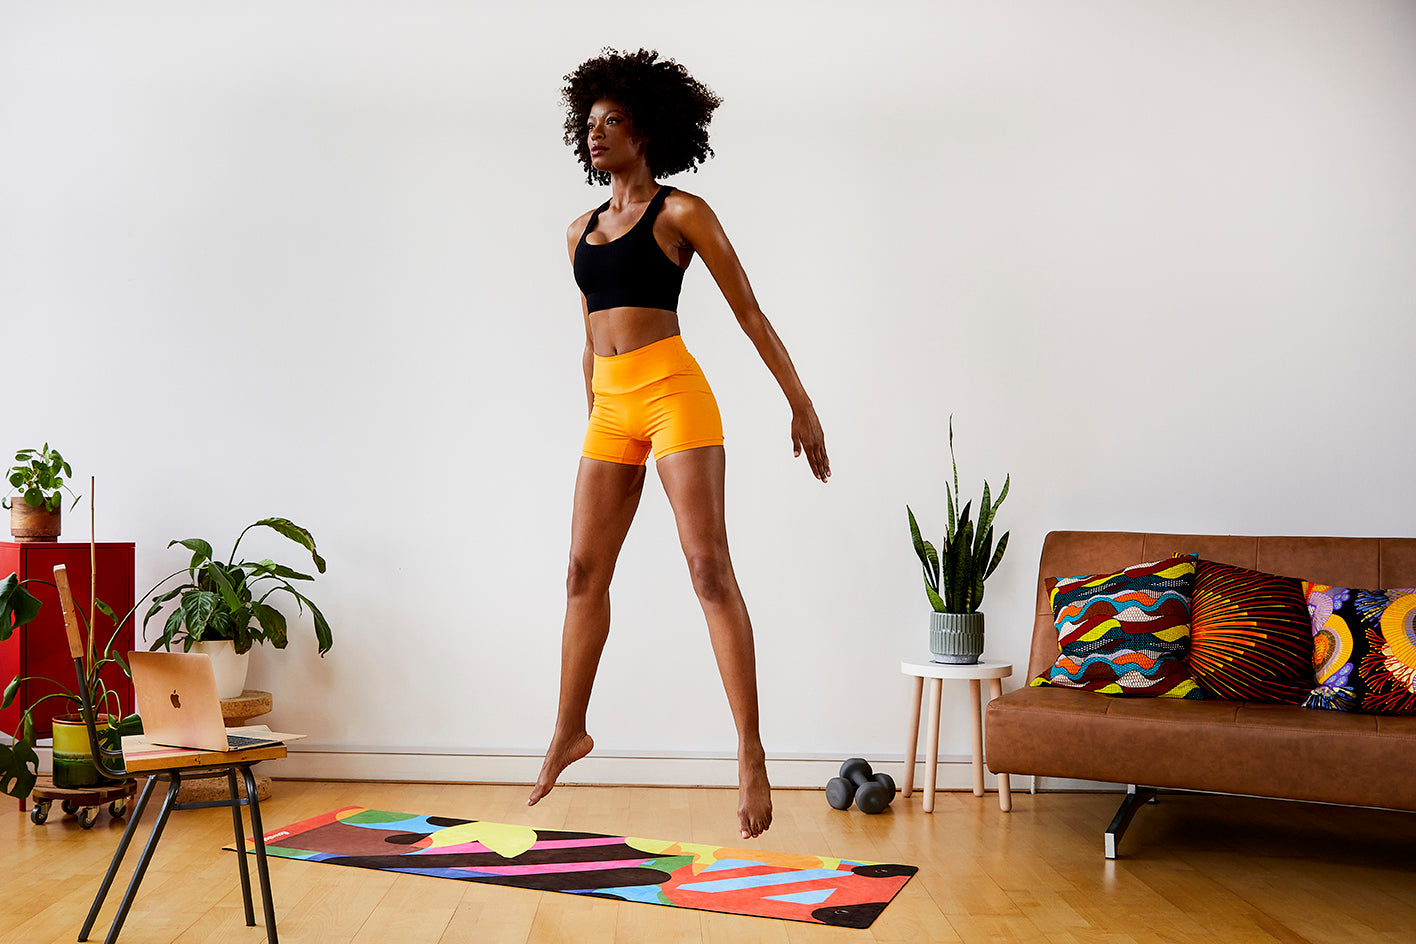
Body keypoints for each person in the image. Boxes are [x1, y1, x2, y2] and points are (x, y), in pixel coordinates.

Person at [528, 48, 829, 841]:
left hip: (674, 395)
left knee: (708, 569)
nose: (595, 136)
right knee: (580, 573)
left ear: (648, 128)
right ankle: (569, 729)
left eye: (612, 122)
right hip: (611, 409)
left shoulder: (681, 213)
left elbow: (751, 313)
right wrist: (594, 414)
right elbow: (589, 338)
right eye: (588, 124)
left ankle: (751, 752)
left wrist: (801, 405)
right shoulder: (578, 232)